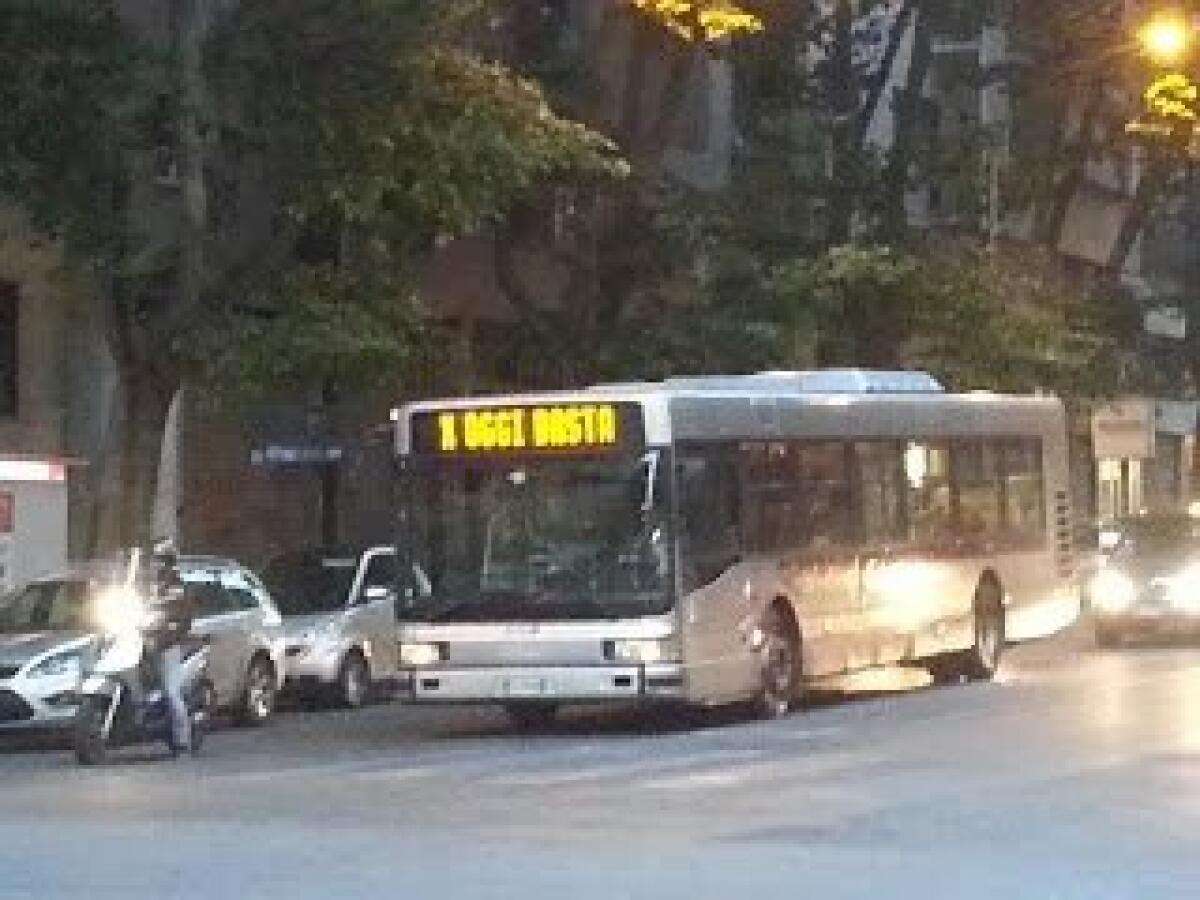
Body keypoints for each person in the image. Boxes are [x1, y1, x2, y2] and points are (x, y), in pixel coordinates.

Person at [150, 539, 194, 754]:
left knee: (171, 691)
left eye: (159, 560)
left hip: (168, 644)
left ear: (168, 562)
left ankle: (182, 738)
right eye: (155, 560)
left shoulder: (176, 586)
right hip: (147, 641)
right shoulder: (150, 586)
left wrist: (169, 632)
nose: (155, 564)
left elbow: (182, 616)